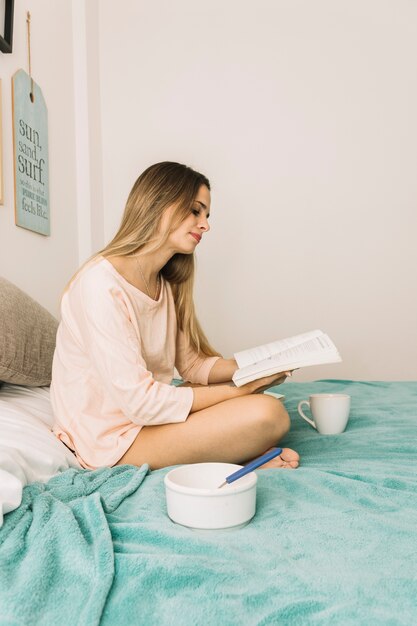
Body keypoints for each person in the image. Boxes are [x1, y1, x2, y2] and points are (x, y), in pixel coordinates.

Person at [51, 162, 300, 471]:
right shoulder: (99, 285)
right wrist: (242, 389)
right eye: (195, 211)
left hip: (145, 417)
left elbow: (193, 365)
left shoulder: (164, 283)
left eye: (206, 215)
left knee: (266, 405)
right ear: (159, 204)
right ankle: (236, 455)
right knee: (267, 414)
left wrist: (259, 366)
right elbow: (141, 403)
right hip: (111, 437)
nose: (205, 225)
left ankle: (235, 452)